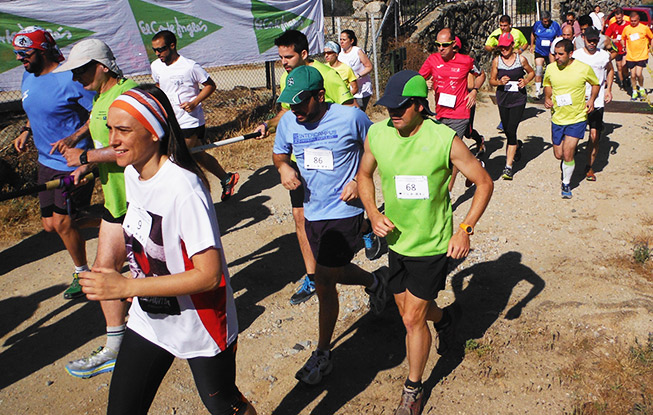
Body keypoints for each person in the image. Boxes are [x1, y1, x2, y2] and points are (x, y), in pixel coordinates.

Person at [80, 85, 256, 415]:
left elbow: (208, 275)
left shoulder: (184, 188)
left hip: (199, 321)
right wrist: (114, 269)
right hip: (150, 317)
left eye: (123, 130)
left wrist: (127, 286)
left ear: (154, 133)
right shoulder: (132, 172)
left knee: (223, 403)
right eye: (109, 130)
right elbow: (140, 228)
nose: (112, 140)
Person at [358, 70, 493, 415]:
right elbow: (364, 174)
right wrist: (373, 213)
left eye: (401, 107)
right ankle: (446, 318)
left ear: (420, 105)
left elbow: (483, 182)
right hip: (397, 241)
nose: (394, 114)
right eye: (389, 107)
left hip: (432, 244)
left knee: (410, 319)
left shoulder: (444, 139)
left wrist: (465, 227)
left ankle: (413, 388)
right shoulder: (378, 134)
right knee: (408, 310)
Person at [272, 65, 387, 385]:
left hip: (344, 211)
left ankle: (322, 353)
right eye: (290, 104)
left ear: (320, 96)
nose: (295, 110)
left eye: (301, 103)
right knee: (331, 273)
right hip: (312, 211)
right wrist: (283, 168)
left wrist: (358, 179)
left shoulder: (351, 118)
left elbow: (375, 147)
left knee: (323, 279)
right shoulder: (289, 123)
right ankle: (375, 282)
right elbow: (279, 154)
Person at [255, 30, 378, 306]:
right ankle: (314, 275)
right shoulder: (290, 83)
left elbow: (353, 122)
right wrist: (280, 157)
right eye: (281, 58)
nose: (284, 62)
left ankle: (363, 231)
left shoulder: (331, 77)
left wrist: (360, 178)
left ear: (304, 54)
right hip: (303, 170)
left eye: (289, 56)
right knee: (300, 219)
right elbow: (288, 114)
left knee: (331, 268)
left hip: (341, 174)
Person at [50, 39, 137, 378]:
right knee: (103, 273)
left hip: (140, 200)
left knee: (124, 272)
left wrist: (86, 157)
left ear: (103, 66)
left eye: (82, 70)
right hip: (117, 200)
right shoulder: (101, 99)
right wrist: (85, 169)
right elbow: (106, 146)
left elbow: (130, 149)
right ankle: (118, 344)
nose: (77, 78)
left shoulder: (126, 96)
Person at [12, 26, 95, 300]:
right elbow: (33, 106)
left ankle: (82, 274)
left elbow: (101, 111)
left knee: (63, 222)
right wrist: (26, 130)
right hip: (45, 161)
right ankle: (116, 221)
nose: (19, 59)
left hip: (72, 161)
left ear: (42, 51)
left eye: (24, 53)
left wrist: (75, 137)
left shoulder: (69, 78)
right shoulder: (29, 75)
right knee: (50, 225)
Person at [151, 30, 239, 201]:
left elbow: (210, 85)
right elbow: (159, 86)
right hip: (170, 119)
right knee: (198, 155)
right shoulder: (156, 66)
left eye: (160, 49)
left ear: (172, 46)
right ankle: (227, 178)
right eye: (154, 50)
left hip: (190, 121)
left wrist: (194, 102)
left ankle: (193, 197)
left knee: (179, 159)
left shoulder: (190, 66)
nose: (157, 54)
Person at [419, 28, 485, 193]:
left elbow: (481, 74)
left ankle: (447, 191)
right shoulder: (432, 60)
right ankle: (476, 166)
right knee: (445, 151)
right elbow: (419, 78)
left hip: (460, 113)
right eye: (438, 45)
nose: (440, 48)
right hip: (441, 113)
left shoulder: (466, 61)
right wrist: (422, 87)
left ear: (453, 45)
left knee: (452, 153)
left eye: (445, 45)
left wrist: (474, 91)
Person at [543, 39, 600, 199]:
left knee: (568, 154)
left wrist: (591, 100)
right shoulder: (551, 68)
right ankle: (569, 159)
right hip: (558, 118)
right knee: (558, 154)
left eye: (561, 54)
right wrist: (547, 97)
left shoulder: (583, 68)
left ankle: (566, 184)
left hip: (577, 117)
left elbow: (595, 83)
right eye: (555, 54)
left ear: (570, 54)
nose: (557, 57)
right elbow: (547, 83)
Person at [489, 33, 535, 181]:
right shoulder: (497, 61)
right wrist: (500, 82)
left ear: (512, 45)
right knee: (507, 129)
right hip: (503, 99)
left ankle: (508, 167)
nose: (504, 49)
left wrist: (526, 81)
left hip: (518, 99)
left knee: (512, 128)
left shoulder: (521, 59)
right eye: (501, 47)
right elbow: (492, 81)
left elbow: (531, 72)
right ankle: (517, 145)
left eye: (506, 46)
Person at [573, 27, 614, 181]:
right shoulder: (576, 55)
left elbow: (610, 70)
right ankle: (571, 155)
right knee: (575, 133)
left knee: (594, 135)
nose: (592, 43)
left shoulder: (604, 55)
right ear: (583, 38)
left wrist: (608, 89)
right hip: (578, 100)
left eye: (595, 40)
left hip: (596, 101)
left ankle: (589, 167)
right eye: (589, 40)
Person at [621, 11, 653, 101]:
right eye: (631, 21)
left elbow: (651, 37)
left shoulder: (644, 28)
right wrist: (623, 46)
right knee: (633, 75)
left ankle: (642, 88)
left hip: (642, 55)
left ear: (638, 20)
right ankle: (634, 91)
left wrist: (651, 48)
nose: (633, 23)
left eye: (635, 21)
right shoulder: (627, 28)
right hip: (631, 55)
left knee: (639, 74)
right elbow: (623, 38)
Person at [339, 29, 374, 111]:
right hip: (348, 90)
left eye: (344, 40)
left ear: (351, 41)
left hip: (361, 90)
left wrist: (358, 76)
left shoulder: (357, 51)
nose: (341, 42)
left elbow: (369, 67)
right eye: (340, 39)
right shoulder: (340, 54)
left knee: (358, 112)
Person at [531, 11, 561, 98]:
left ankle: (551, 89)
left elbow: (559, 37)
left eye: (547, 21)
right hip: (539, 51)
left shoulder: (555, 25)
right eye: (544, 21)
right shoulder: (537, 25)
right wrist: (532, 45)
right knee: (539, 69)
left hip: (550, 52)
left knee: (551, 70)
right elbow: (533, 34)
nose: (546, 23)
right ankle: (537, 91)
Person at [605, 7, 631, 92]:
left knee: (624, 65)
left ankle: (627, 78)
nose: (618, 20)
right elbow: (606, 36)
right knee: (619, 66)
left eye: (620, 18)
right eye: (617, 18)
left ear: (623, 16)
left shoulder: (628, 25)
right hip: (617, 49)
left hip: (626, 49)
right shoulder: (613, 25)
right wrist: (612, 40)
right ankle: (622, 82)